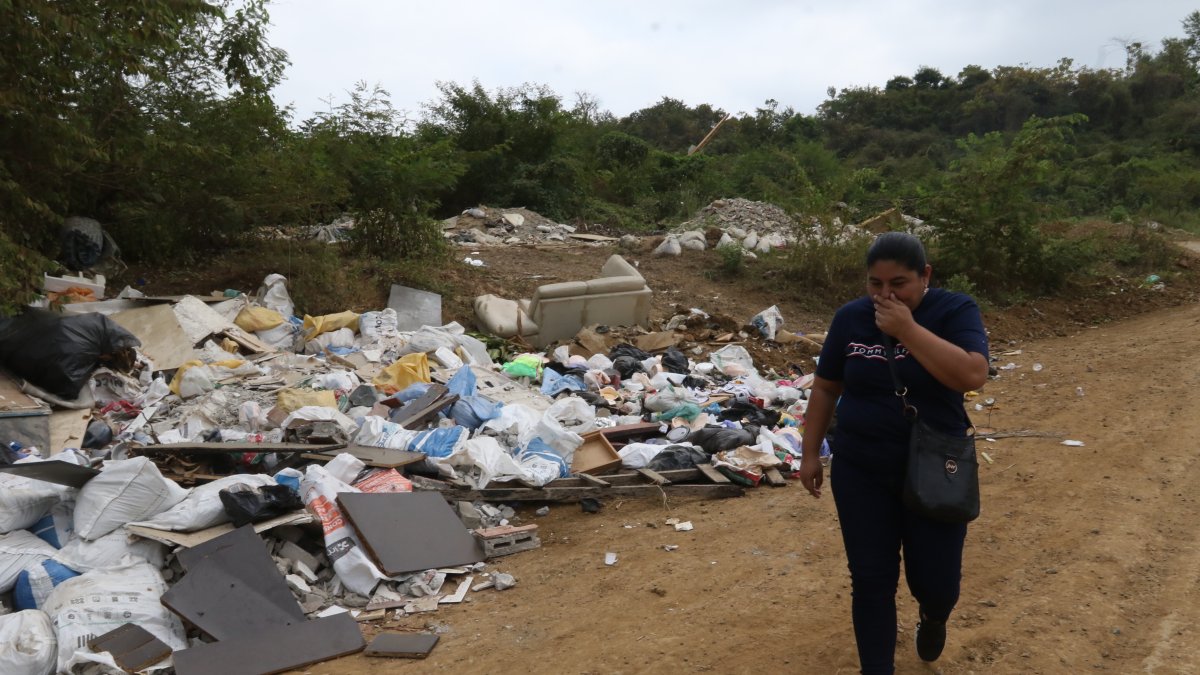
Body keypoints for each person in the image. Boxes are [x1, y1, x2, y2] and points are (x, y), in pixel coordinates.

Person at [799, 232, 989, 674]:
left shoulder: (954, 311)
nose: (885, 295)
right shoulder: (850, 318)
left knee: (937, 580)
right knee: (871, 578)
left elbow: (972, 375)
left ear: (925, 276)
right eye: (875, 284)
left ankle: (933, 616)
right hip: (861, 467)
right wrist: (810, 454)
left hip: (935, 467)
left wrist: (907, 329)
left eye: (898, 283)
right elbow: (826, 388)